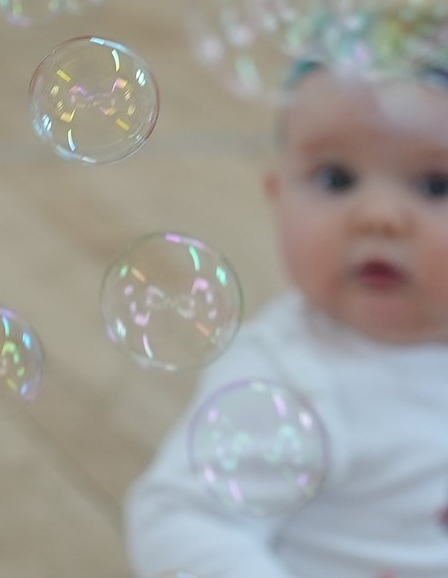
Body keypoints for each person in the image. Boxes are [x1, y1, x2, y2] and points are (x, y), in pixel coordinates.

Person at [123, 60, 448, 576]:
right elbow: (185, 518)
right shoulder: (290, 380)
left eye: (436, 187)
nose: (378, 216)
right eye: (336, 179)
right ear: (278, 195)